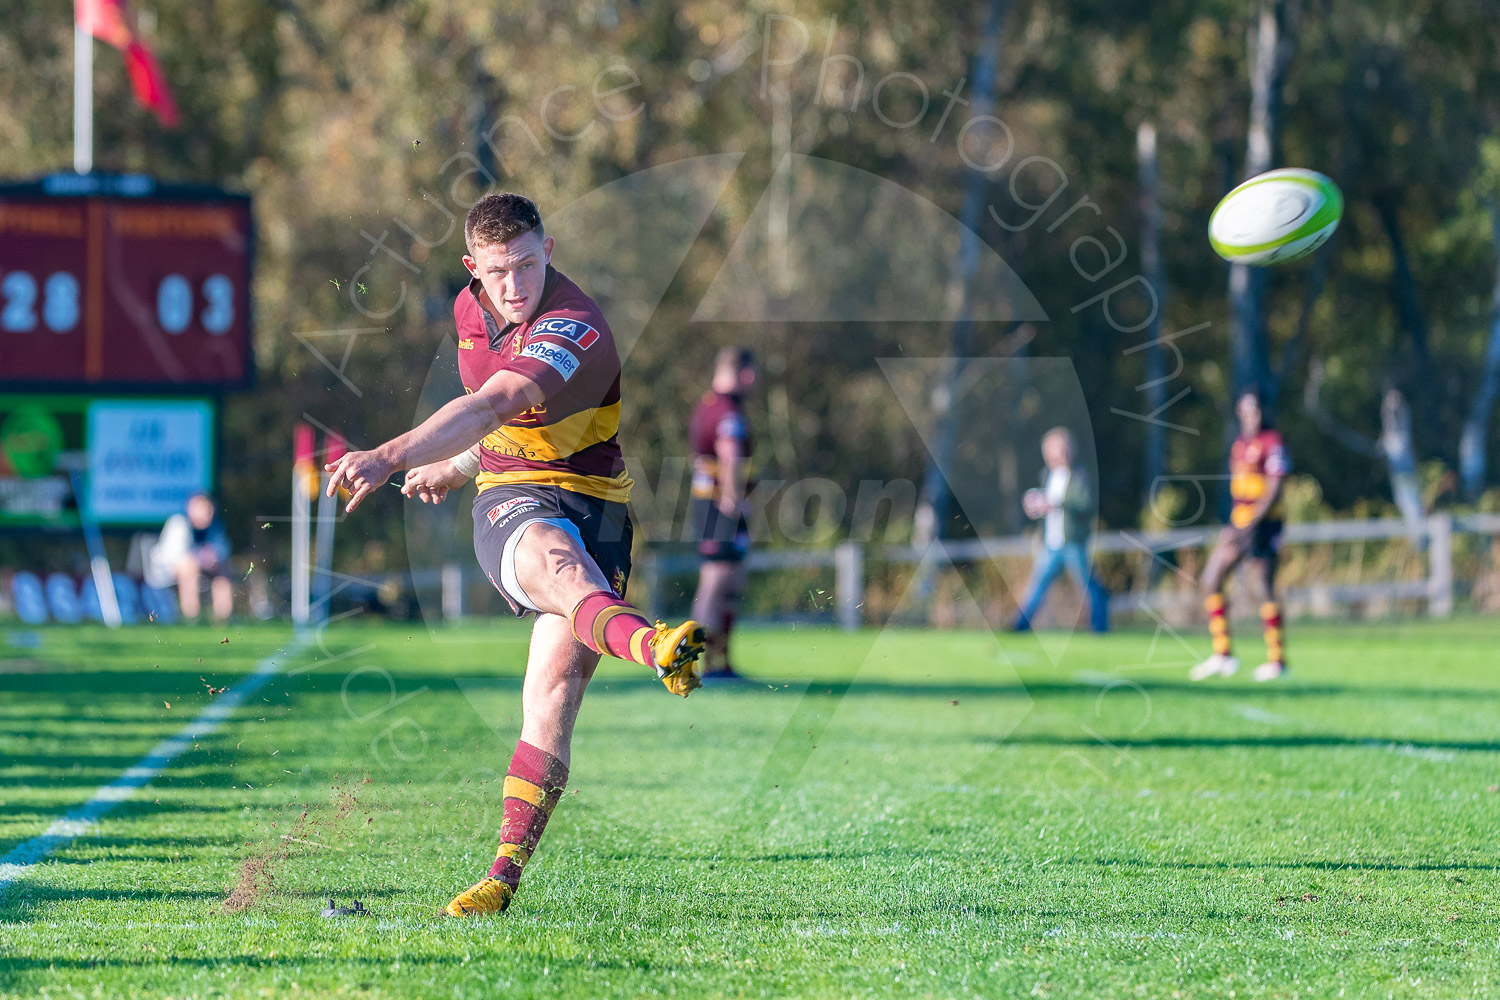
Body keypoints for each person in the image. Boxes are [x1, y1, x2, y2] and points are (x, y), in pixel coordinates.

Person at [324, 192, 706, 918]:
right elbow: (501, 426)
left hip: (599, 505)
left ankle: (501, 879)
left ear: (549, 252)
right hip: (513, 497)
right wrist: (457, 466)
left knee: (553, 698)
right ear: (473, 268)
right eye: (498, 271)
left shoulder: (575, 325)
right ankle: (655, 645)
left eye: (527, 265)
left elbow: (500, 404)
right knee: (557, 565)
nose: (514, 284)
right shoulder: (472, 314)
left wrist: (391, 454)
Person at [1190, 390, 1290, 682]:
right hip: (1241, 524)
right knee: (1211, 579)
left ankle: (1277, 660)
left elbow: (1274, 489)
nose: (1251, 417)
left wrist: (1252, 522)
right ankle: (1223, 655)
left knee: (1263, 587)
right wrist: (1234, 522)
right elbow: (1239, 490)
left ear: (1262, 412)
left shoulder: (1273, 442)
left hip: (1263, 526)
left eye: (1255, 411)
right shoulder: (1239, 444)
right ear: (1239, 412)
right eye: (1246, 412)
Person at [689, 347, 756, 680]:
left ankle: (719, 663)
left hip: (710, 503)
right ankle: (701, 663)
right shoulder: (728, 409)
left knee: (728, 582)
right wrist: (733, 501)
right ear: (743, 372)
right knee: (716, 584)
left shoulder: (707, 405)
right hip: (720, 506)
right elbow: (729, 453)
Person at [1012, 427, 1108, 633]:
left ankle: (1100, 627)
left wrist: (1056, 503)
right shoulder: (1047, 475)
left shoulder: (1079, 476)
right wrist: (1036, 506)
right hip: (1052, 543)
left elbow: (1085, 504)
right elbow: (1045, 506)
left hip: (1073, 542)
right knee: (1037, 586)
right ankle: (1020, 626)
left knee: (1088, 586)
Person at [151, 492, 233, 621]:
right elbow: (175, 556)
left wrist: (213, 558)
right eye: (202, 508)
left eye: (209, 509)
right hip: (167, 569)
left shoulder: (215, 527)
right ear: (191, 508)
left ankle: (223, 618)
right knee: (189, 566)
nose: (207, 513)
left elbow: (222, 550)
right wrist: (202, 558)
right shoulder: (179, 523)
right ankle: (191, 616)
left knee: (222, 568)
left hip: (201, 567)